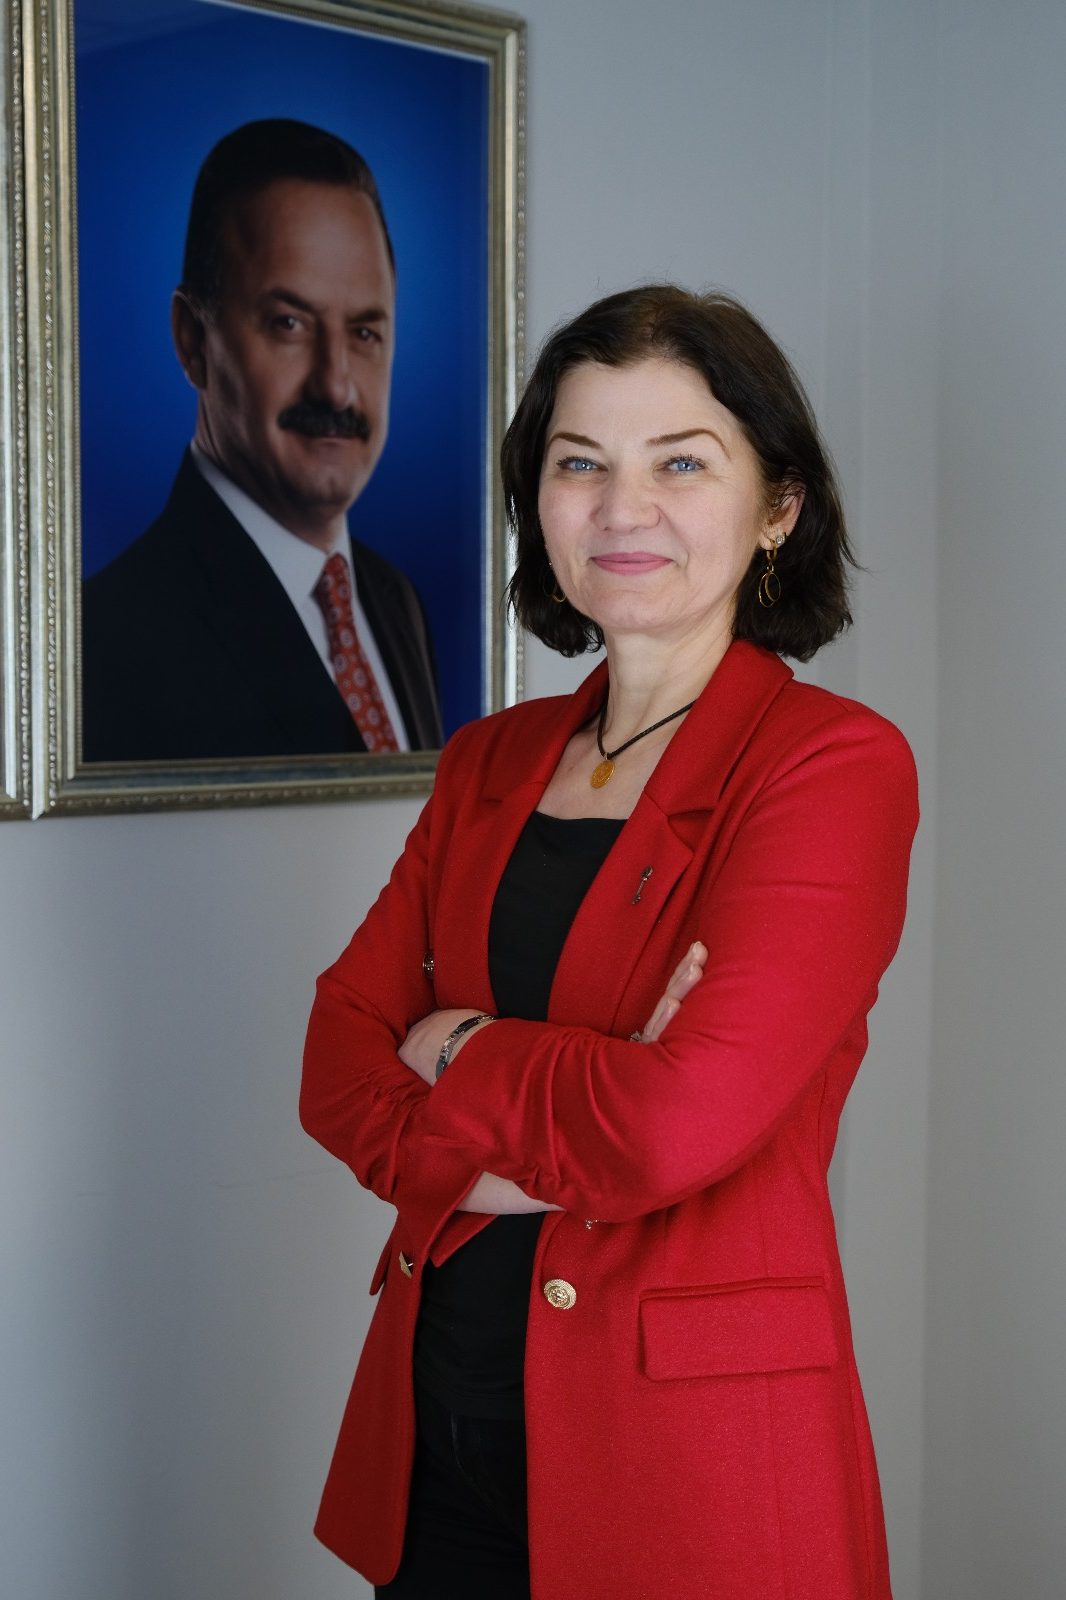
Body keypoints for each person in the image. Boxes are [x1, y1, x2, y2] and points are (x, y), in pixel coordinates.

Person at [300, 285, 918, 1599]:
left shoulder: (830, 768)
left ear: (777, 507)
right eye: (578, 463)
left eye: (679, 463)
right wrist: (594, 1081)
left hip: (686, 1465)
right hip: (439, 1436)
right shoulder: (487, 760)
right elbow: (335, 1065)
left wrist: (454, 1042)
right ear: (538, 500)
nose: (620, 508)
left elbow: (666, 1131)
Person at [82, 119, 443, 763]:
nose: (336, 386)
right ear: (193, 340)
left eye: (364, 333)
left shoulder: (397, 602)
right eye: (289, 324)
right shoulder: (106, 643)